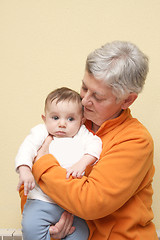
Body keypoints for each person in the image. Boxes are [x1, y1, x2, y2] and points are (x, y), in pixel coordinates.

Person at [19, 41, 158, 240]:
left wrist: (42, 162)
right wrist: (48, 228)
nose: (84, 101)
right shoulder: (71, 122)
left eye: (98, 97)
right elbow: (31, 186)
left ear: (127, 100)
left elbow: (90, 202)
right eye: (84, 87)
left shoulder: (136, 141)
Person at [16, 87, 102, 240]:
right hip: (40, 201)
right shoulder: (42, 132)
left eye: (70, 119)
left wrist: (83, 162)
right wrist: (24, 169)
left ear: (82, 121)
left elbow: (96, 144)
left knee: (82, 233)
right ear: (45, 118)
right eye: (55, 118)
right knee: (30, 228)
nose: (62, 124)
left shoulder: (82, 134)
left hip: (72, 205)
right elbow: (26, 148)